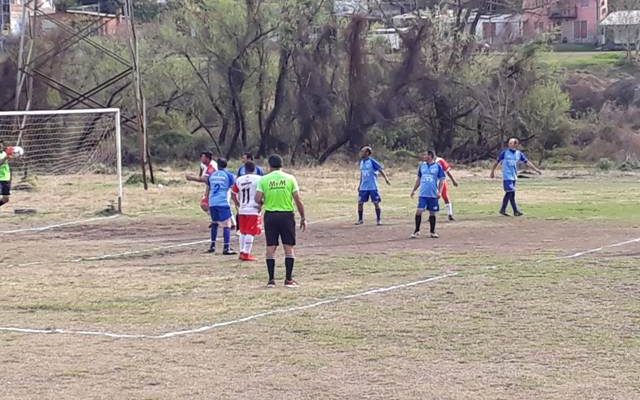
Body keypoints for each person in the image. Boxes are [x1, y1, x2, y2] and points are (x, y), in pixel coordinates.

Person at [255, 154, 306, 288]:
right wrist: (303, 216)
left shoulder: (264, 179)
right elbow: (297, 199)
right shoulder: (290, 178)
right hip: (286, 215)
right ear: (282, 165)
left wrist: (263, 201)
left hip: (271, 215)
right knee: (288, 247)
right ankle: (288, 279)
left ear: (269, 165)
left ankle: (271, 280)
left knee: (270, 247)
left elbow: (257, 198)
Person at [490, 138, 542, 216]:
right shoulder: (504, 153)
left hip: (514, 176)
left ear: (516, 145)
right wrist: (492, 172)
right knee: (511, 192)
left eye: (513, 143)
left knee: (509, 193)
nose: (511, 145)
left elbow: (527, 162)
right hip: (507, 176)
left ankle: (503, 210)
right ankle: (515, 211)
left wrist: (536, 170)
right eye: (510, 143)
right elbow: (496, 162)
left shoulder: (519, 154)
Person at [410, 150, 446, 239]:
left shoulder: (437, 166)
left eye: (425, 155)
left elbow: (442, 180)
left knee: (432, 213)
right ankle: (417, 230)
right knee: (419, 211)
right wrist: (414, 189)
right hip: (423, 194)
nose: (423, 156)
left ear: (430, 156)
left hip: (433, 194)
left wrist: (440, 192)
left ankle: (432, 232)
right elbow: (418, 179)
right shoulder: (422, 166)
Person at [231, 161, 262, 261]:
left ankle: (242, 251)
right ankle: (246, 253)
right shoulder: (259, 179)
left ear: (245, 169)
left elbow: (233, 193)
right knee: (251, 231)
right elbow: (262, 192)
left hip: (242, 208)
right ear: (255, 169)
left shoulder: (239, 179)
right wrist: (261, 203)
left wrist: (237, 203)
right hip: (253, 208)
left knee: (243, 231)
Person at [206, 158, 237, 254]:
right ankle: (226, 247)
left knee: (214, 222)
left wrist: (206, 199)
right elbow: (233, 189)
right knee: (227, 224)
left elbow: (208, 188)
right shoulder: (229, 175)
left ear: (217, 165)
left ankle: (212, 245)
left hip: (212, 202)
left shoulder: (212, 175)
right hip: (222, 202)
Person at [355, 146, 390, 226]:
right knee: (360, 202)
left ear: (367, 153)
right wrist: (359, 185)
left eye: (363, 151)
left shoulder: (372, 161)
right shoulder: (361, 162)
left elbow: (380, 170)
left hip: (372, 186)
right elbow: (362, 174)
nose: (361, 153)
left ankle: (378, 220)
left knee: (376, 202)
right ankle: (360, 219)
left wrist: (386, 179)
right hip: (364, 187)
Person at [434, 154, 459, 221]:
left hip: (441, 181)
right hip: (432, 182)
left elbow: (447, 171)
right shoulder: (427, 162)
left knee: (445, 196)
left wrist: (453, 180)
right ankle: (432, 215)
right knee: (433, 198)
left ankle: (450, 214)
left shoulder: (440, 161)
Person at [0, 140, 13, 209]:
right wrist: (6, 158)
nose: (1, 145)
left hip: (5, 178)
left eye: (1, 144)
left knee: (5, 199)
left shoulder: (4, 153)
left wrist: (14, 155)